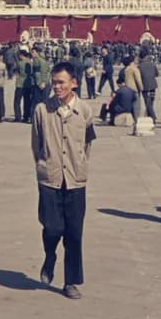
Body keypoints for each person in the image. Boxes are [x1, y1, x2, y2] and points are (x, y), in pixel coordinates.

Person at [31, 62, 96, 300]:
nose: (56, 86)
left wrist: (80, 165)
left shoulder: (85, 111)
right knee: (52, 227)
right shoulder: (42, 110)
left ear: (74, 83)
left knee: (74, 234)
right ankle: (50, 256)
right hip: (50, 179)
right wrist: (44, 165)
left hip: (76, 181)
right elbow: (36, 144)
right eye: (54, 82)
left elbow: (88, 143)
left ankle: (70, 282)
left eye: (61, 82)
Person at [138, 50, 160, 123]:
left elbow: (139, 76)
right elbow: (157, 74)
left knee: (147, 101)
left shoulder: (140, 66)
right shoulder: (152, 64)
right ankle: (150, 115)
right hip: (153, 85)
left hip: (145, 85)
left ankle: (152, 116)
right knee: (151, 101)